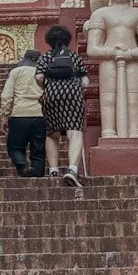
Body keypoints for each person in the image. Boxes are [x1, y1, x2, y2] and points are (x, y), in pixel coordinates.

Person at [38, 23, 87, 185]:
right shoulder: (74, 57)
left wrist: (47, 86)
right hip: (73, 95)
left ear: (49, 41)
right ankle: (72, 169)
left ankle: (53, 169)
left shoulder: (46, 57)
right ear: (67, 40)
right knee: (75, 132)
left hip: (51, 95)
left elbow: (39, 77)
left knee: (52, 134)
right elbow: (85, 82)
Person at [0, 48, 46, 177]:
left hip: (19, 114)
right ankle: (38, 174)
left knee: (15, 146)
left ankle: (23, 166)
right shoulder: (43, 72)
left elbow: (7, 95)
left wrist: (4, 115)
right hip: (40, 114)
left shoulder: (16, 72)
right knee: (39, 150)